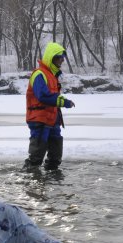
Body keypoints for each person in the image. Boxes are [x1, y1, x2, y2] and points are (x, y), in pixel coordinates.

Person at [24, 42, 75, 171]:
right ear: (51, 58)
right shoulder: (39, 74)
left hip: (53, 120)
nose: (62, 60)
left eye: (63, 57)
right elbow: (42, 95)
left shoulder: (53, 76)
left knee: (55, 158)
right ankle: (29, 181)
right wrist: (64, 102)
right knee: (36, 158)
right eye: (59, 57)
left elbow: (51, 97)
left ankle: (54, 185)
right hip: (40, 120)